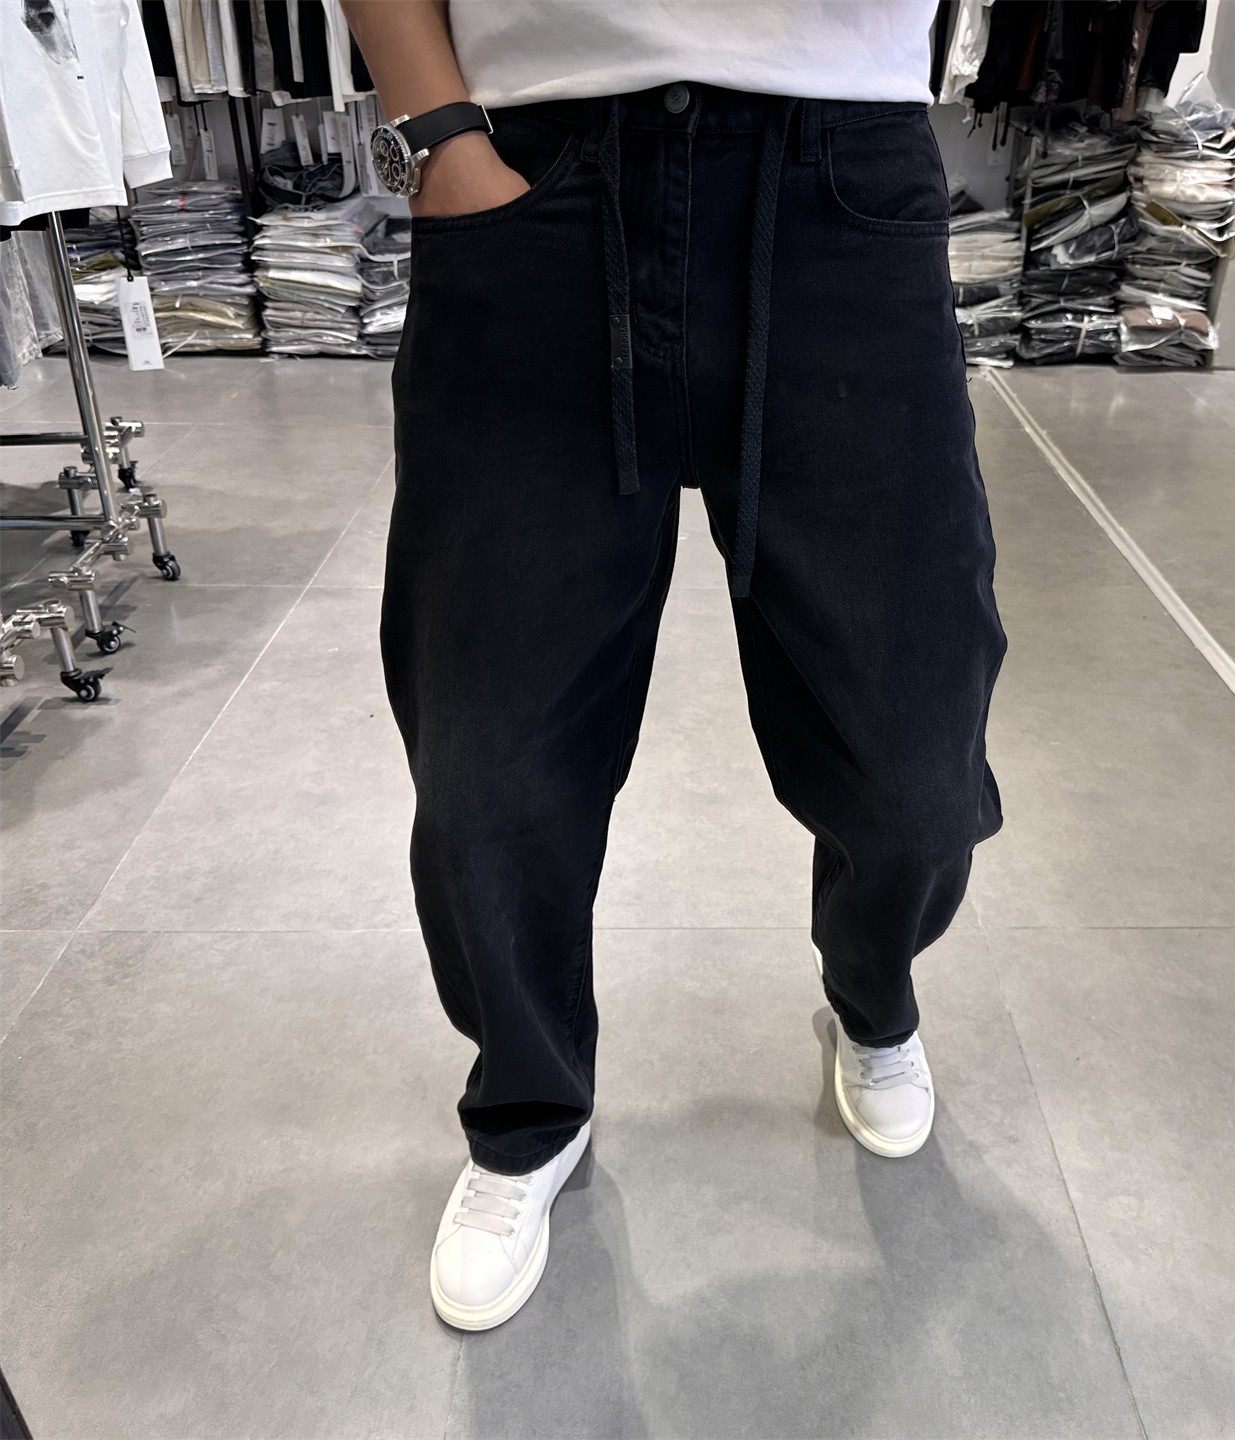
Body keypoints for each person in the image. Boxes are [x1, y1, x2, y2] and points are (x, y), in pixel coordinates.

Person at [341, 0, 1007, 1332]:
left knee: (916, 758)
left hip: (842, 183)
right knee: (487, 753)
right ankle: (527, 1109)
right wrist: (441, 134)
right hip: (533, 171)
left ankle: (872, 989)